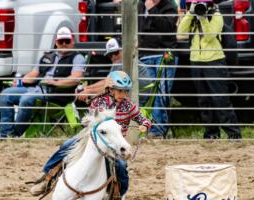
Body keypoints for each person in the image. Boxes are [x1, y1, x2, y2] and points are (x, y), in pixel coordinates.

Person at [29, 71, 152, 197]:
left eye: (125, 91)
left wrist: (144, 125)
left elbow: (144, 119)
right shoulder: (99, 102)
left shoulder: (129, 106)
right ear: (111, 90)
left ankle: (117, 196)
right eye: (119, 90)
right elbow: (95, 121)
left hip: (114, 143)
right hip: (92, 139)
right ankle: (47, 176)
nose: (123, 94)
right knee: (66, 146)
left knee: (120, 166)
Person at [0, 27, 86, 138]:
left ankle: (14, 135)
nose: (64, 44)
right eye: (61, 41)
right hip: (38, 89)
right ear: (56, 43)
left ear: (72, 42)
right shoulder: (48, 56)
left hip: (56, 94)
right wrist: (21, 81)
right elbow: (33, 74)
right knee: (6, 94)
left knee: (26, 98)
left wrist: (56, 82)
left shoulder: (78, 58)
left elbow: (76, 78)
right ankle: (5, 135)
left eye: (67, 41)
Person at [177, 0, 241, 139]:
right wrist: (190, 13)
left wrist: (203, 18)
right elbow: (180, 34)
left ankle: (234, 135)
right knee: (203, 100)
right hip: (196, 62)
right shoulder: (192, 16)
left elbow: (210, 36)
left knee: (220, 99)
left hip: (215, 62)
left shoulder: (216, 15)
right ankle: (211, 134)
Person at [138, 0, 178, 138]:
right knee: (149, 94)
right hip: (144, 54)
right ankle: (151, 128)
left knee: (161, 94)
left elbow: (167, 27)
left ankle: (158, 131)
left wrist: (152, 10)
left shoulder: (170, 6)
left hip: (164, 54)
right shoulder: (140, 5)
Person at [76, 38, 152, 106]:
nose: (114, 57)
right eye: (110, 55)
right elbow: (107, 81)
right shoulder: (124, 61)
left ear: (123, 50)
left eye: (116, 53)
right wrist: (87, 88)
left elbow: (107, 86)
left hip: (135, 100)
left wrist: (89, 91)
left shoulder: (121, 63)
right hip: (137, 97)